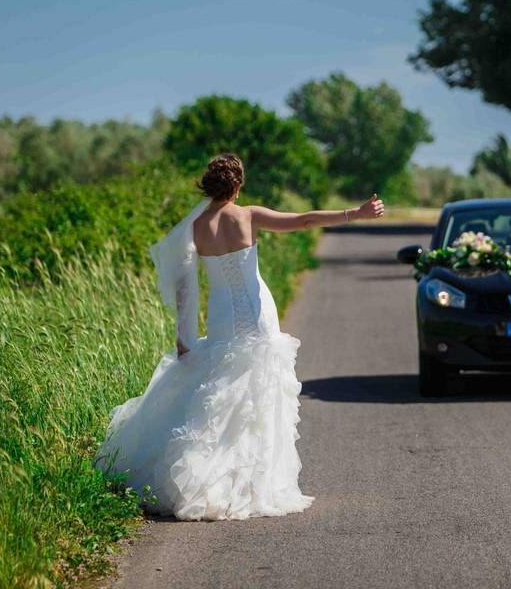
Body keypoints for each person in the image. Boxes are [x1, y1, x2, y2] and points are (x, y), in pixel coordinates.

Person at [95, 153, 384, 520]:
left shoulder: (195, 227)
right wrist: (354, 213)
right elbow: (305, 219)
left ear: (209, 185)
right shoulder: (248, 215)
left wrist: (183, 336)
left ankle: (206, 475)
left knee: (221, 388)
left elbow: (185, 289)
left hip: (221, 317)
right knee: (258, 392)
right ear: (237, 184)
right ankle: (250, 482)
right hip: (257, 313)